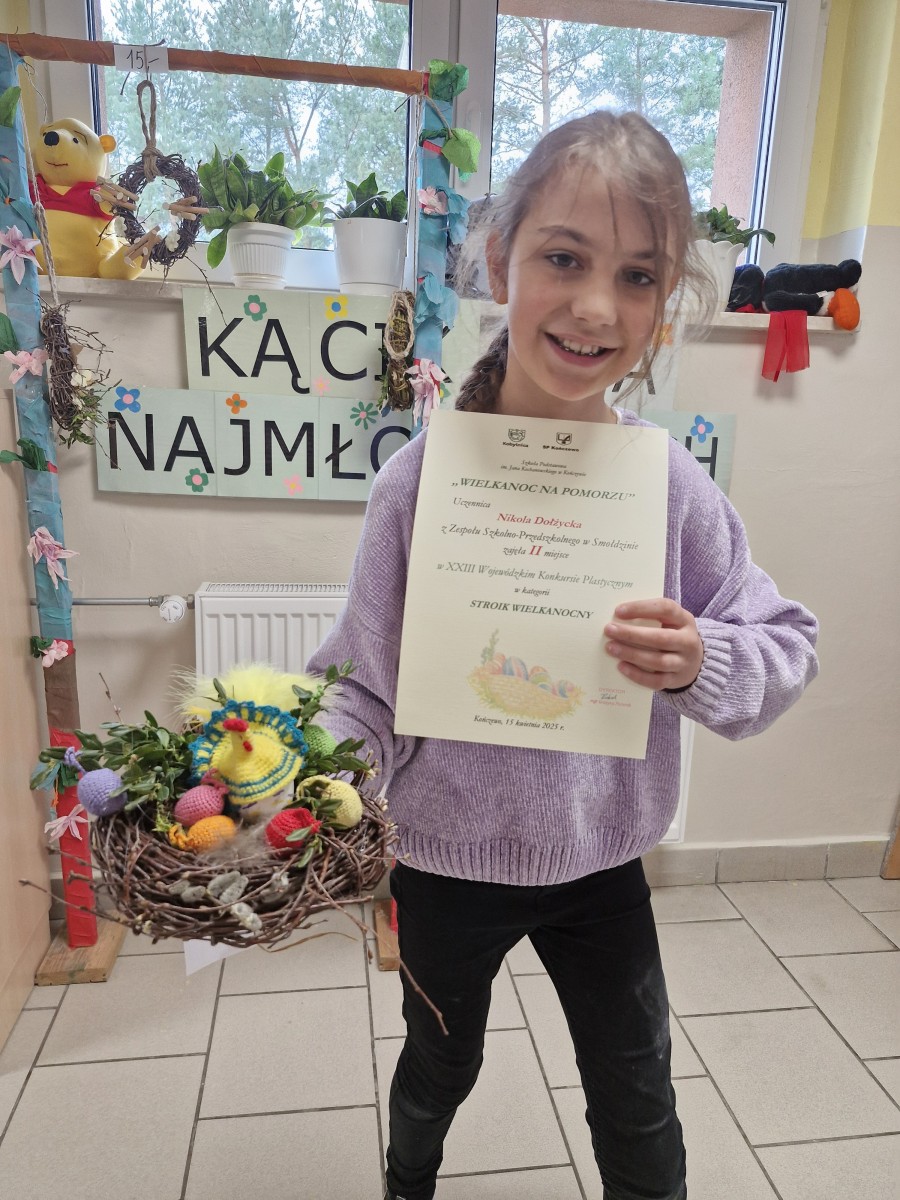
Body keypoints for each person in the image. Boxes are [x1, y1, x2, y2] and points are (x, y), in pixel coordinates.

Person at [307, 110, 819, 1200]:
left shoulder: (666, 484)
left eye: (637, 277)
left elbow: (785, 643)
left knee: (638, 1093)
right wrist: (320, 776)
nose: (596, 307)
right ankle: (407, 1183)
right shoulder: (418, 485)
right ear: (502, 262)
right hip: (444, 862)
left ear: (664, 304)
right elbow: (364, 687)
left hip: (602, 861)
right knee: (441, 1062)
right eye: (565, 259)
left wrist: (701, 659)